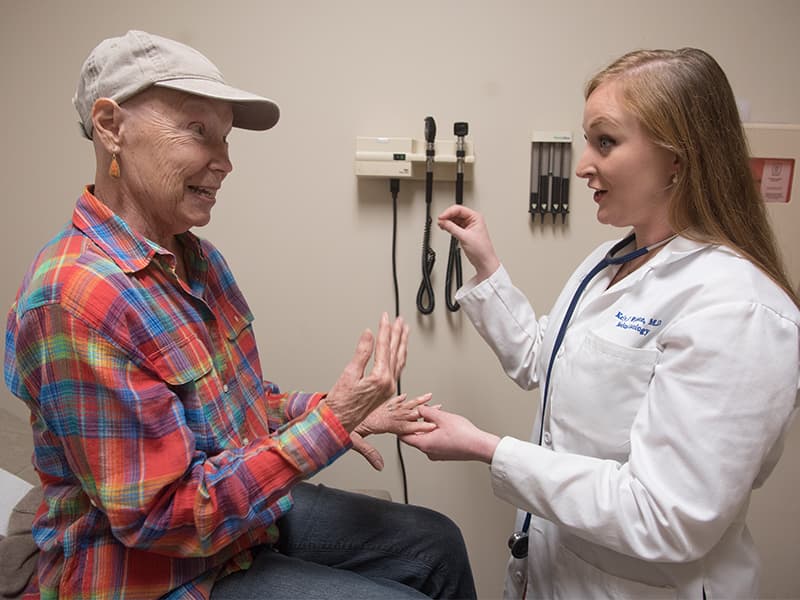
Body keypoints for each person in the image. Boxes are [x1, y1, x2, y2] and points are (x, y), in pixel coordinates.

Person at [3, 30, 476, 600]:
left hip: (232, 528)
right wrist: (326, 430)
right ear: (110, 127)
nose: (225, 162)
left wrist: (340, 412)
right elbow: (163, 518)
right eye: (198, 131)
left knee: (435, 541)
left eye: (225, 138)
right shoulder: (72, 302)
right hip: (153, 571)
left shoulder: (194, 257)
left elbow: (233, 408)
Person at [401, 47, 800, 599]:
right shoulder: (611, 259)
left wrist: (489, 450)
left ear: (678, 159)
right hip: (557, 570)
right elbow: (545, 361)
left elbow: (667, 516)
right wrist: (488, 266)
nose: (583, 163)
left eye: (605, 142)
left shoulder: (738, 309)